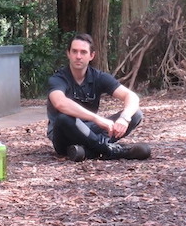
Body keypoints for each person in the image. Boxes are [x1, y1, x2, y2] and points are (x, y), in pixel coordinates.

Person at [46, 33, 151, 162]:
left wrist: (124, 118)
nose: (78, 56)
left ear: (91, 56)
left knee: (136, 114)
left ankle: (86, 152)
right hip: (65, 135)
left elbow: (131, 96)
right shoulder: (58, 79)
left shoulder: (98, 77)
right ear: (68, 54)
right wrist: (97, 119)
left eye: (83, 52)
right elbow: (60, 103)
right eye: (74, 51)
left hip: (92, 130)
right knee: (63, 118)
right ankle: (109, 150)